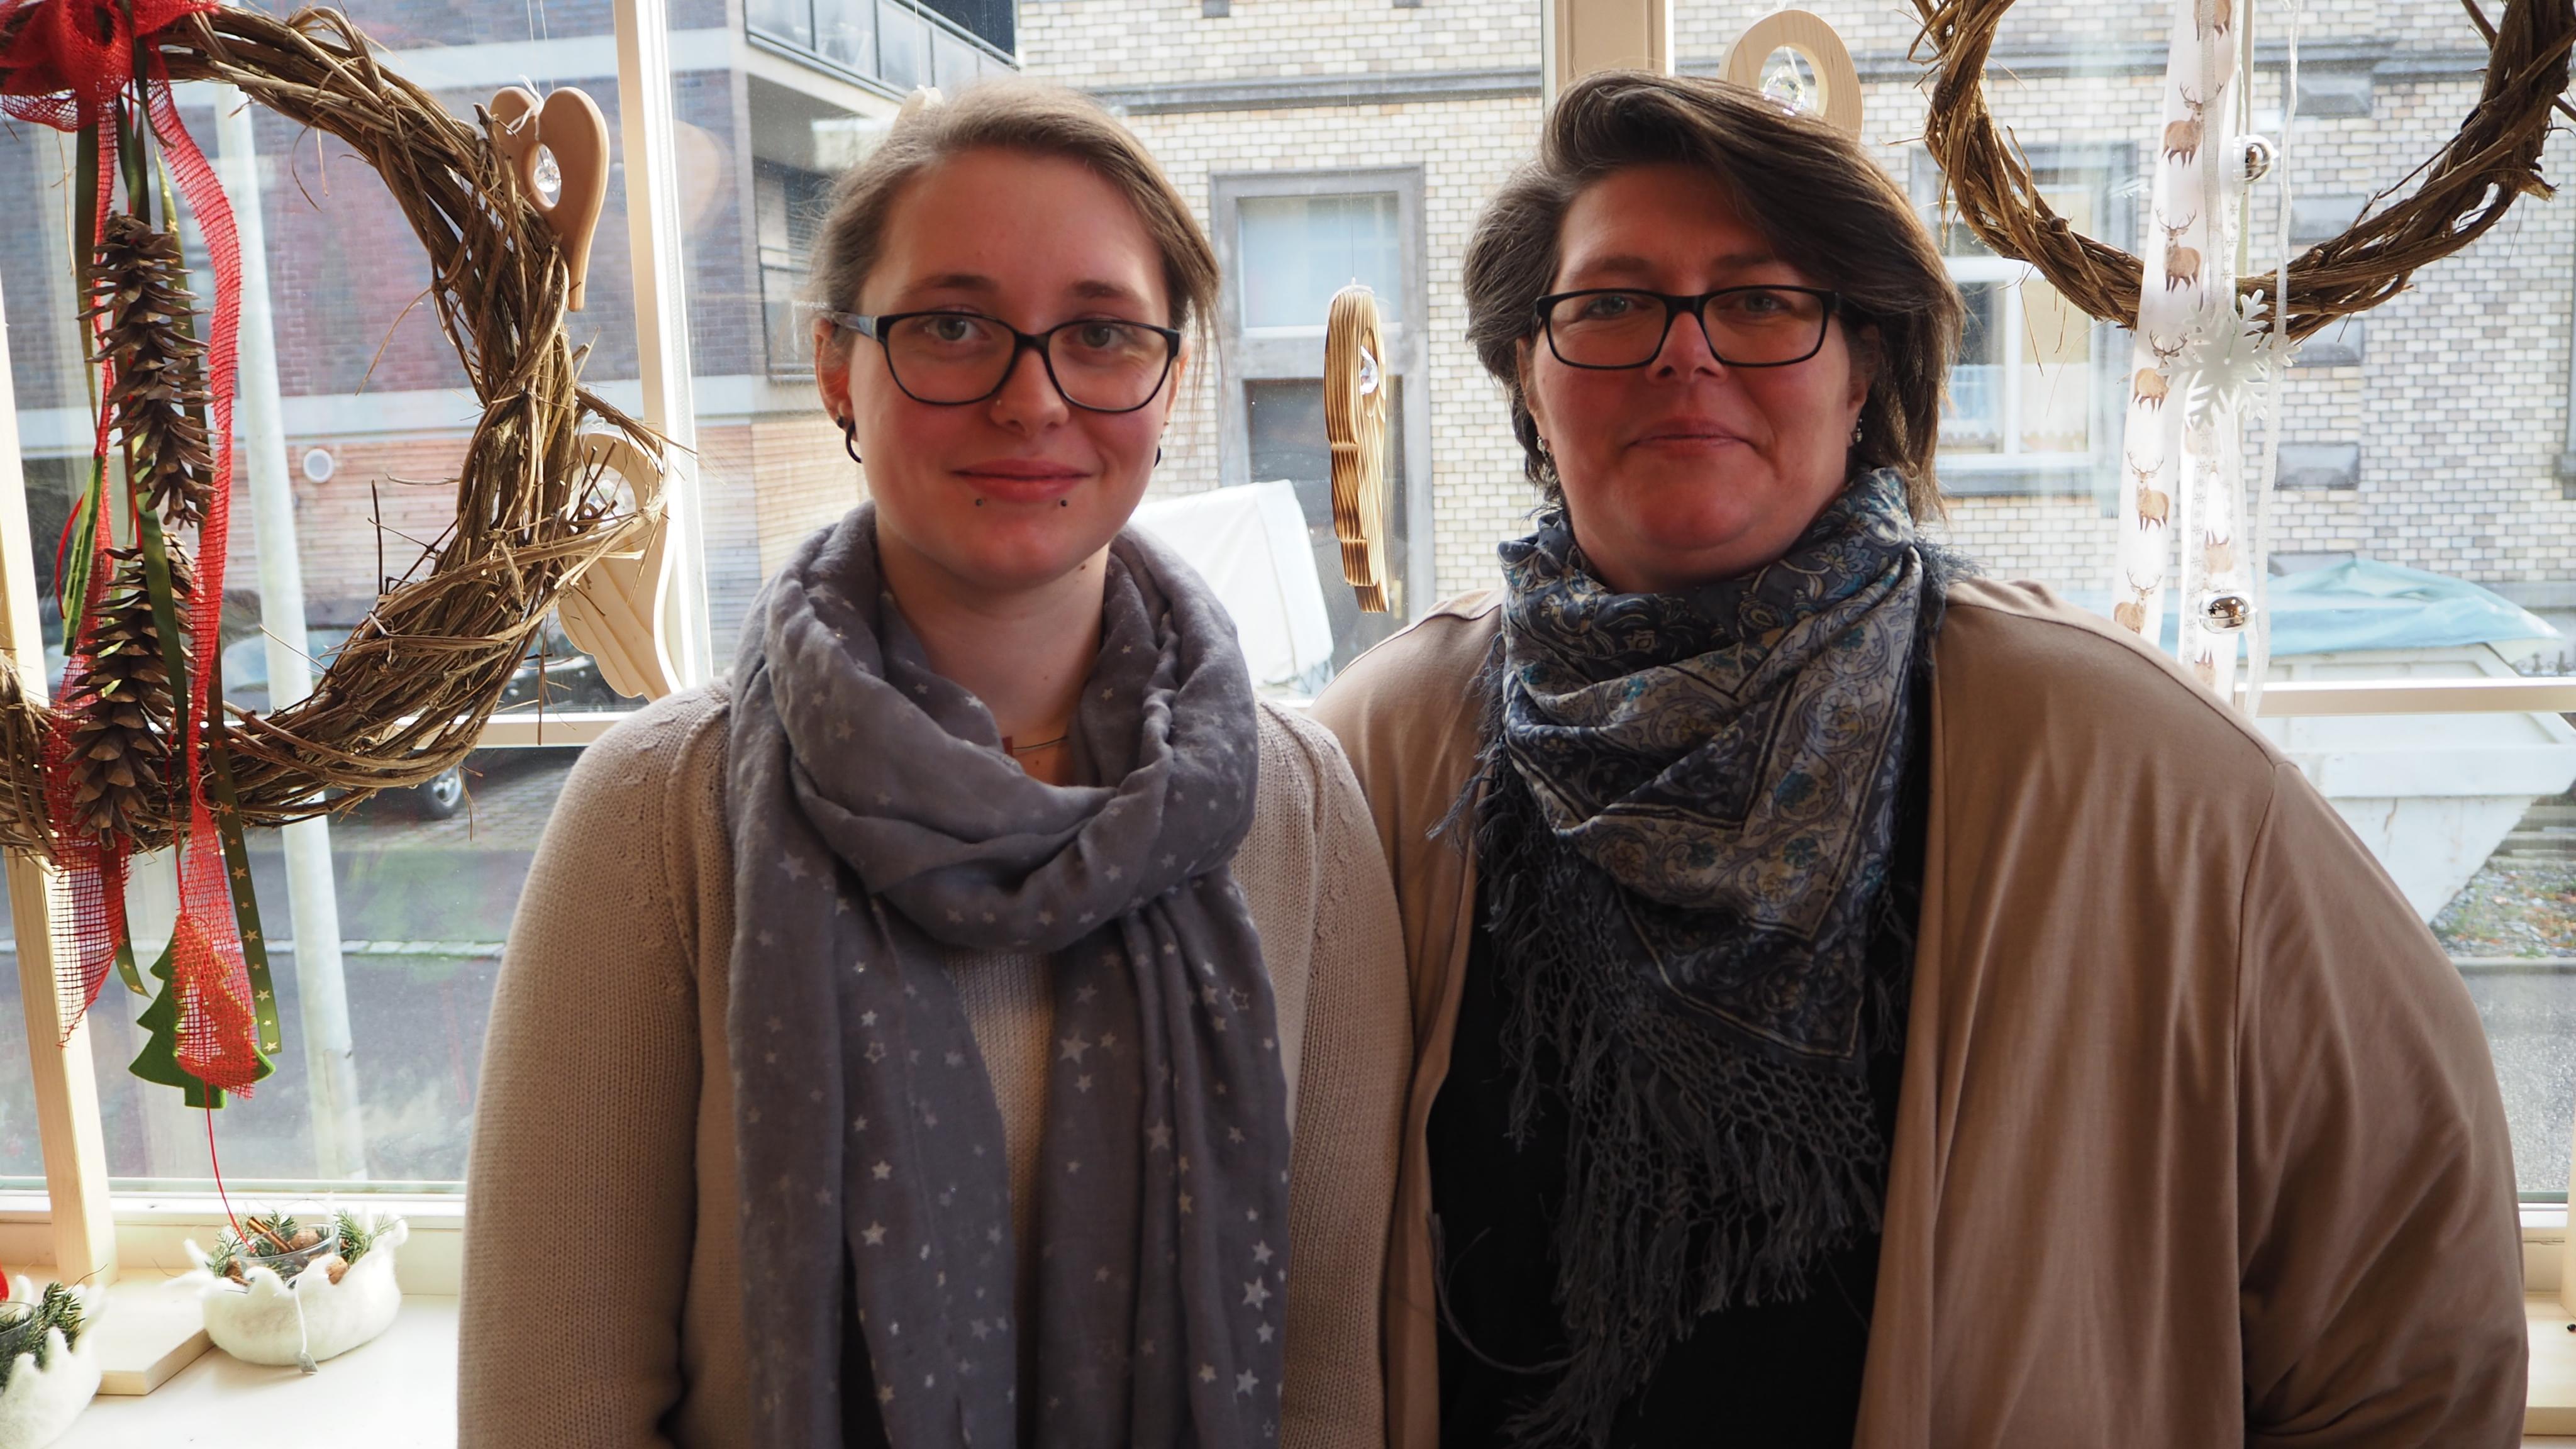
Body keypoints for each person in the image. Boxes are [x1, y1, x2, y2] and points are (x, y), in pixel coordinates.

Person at [1311, 70, 2525, 1449]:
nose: (1682, 355)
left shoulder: (2136, 767)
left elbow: (2412, 1301)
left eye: (1761, 301)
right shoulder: (1376, 757)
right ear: (1528, 378)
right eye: (1609, 305)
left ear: (1865, 366)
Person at [460, 82, 1410, 1449]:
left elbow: (1320, 1385)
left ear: (1168, 381)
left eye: (1101, 333)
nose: (1032, 398)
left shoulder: (1301, 810)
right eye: (953, 326)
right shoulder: (656, 815)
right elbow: (552, 1404)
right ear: (836, 367)